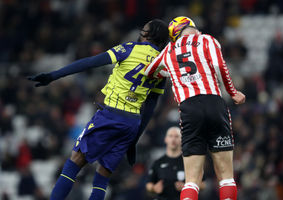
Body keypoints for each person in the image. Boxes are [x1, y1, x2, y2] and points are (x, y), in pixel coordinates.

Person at [28, 19, 169, 200]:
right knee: (102, 177)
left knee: (74, 162)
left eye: (145, 28)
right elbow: (150, 106)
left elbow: (90, 62)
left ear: (148, 34)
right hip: (132, 123)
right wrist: (135, 139)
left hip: (112, 115)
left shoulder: (129, 49)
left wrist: (53, 75)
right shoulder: (162, 65)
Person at [144, 17, 246, 200]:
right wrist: (233, 92)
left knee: (191, 181)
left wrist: (171, 72)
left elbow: (149, 71)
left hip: (189, 110)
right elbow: (220, 66)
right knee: (226, 178)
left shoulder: (168, 51)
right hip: (214, 104)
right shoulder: (207, 40)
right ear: (189, 27)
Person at [146, 127, 184, 200]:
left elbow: (202, 184)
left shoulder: (188, 162)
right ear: (165, 139)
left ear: (182, 140)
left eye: (176, 136)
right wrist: (154, 188)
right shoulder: (158, 162)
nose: (173, 139)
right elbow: (149, 183)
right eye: (170, 136)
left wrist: (186, 187)